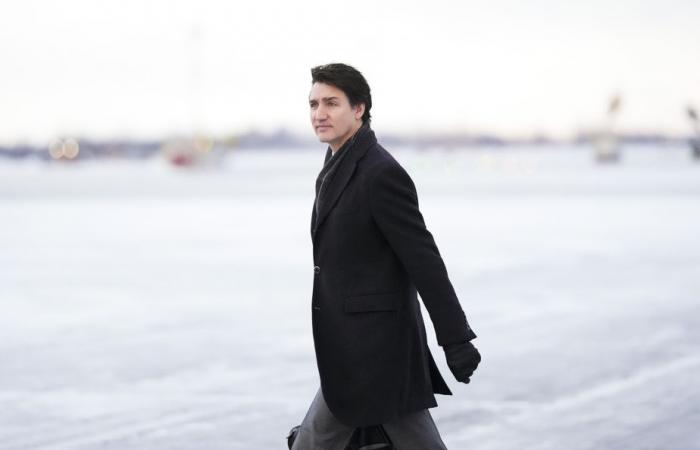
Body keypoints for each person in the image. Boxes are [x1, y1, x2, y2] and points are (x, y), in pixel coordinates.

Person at [289, 63, 481, 449]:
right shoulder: (336, 165)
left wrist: (455, 339)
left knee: (313, 442)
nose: (319, 114)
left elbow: (423, 258)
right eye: (313, 104)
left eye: (331, 103)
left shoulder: (380, 173)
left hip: (376, 348)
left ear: (359, 109)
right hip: (356, 345)